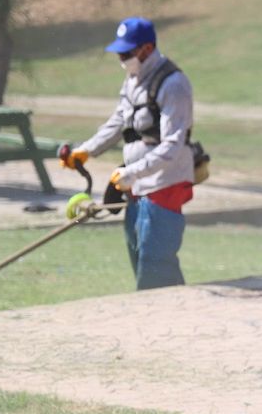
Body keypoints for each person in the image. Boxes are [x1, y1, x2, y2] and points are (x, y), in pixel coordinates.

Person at [63, 17, 196, 290]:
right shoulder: (133, 81)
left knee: (155, 260)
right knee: (139, 252)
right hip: (136, 183)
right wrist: (86, 150)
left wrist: (132, 172)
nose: (122, 59)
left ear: (147, 49)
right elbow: (118, 122)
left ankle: (164, 311)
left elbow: (172, 144)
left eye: (127, 53)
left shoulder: (173, 84)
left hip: (165, 182)